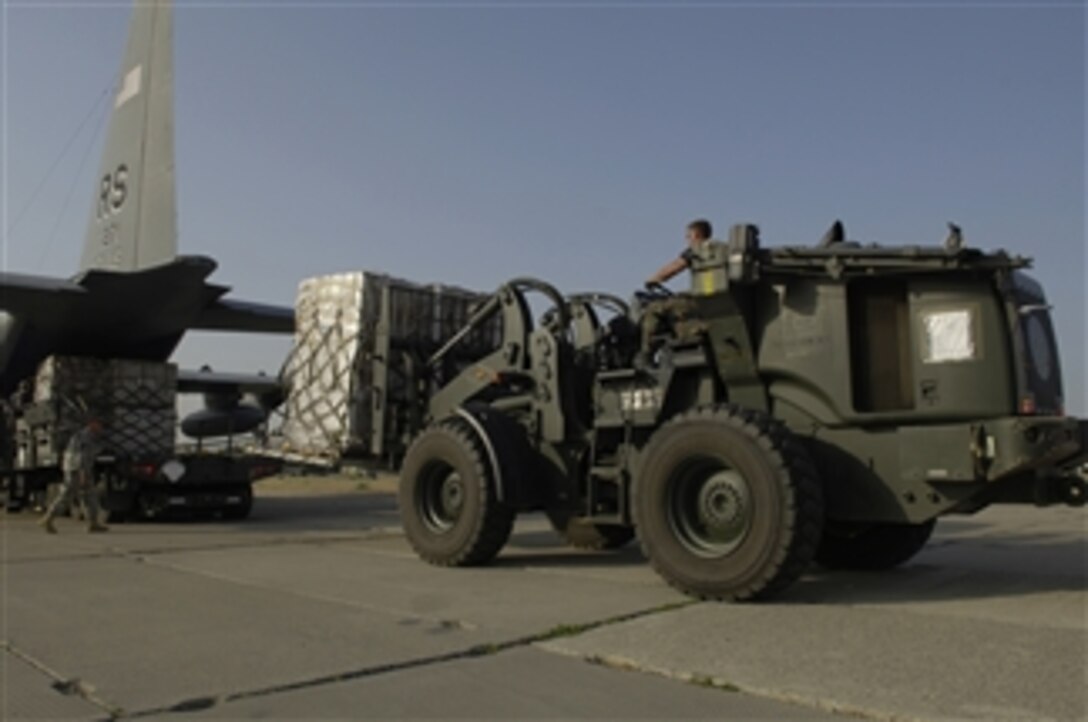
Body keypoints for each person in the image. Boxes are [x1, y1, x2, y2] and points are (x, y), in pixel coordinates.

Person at [39, 416, 108, 534]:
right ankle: (48, 519)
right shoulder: (85, 437)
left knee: (90, 496)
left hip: (80, 468)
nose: (101, 428)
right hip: (77, 470)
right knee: (67, 495)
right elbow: (81, 456)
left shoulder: (89, 436)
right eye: (99, 424)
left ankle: (93, 523)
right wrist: (82, 473)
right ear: (92, 424)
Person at [647, 219, 713, 287]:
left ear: (697, 235)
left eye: (689, 236)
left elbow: (675, 266)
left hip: (705, 293)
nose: (687, 239)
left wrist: (654, 279)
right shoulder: (719, 250)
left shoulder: (695, 251)